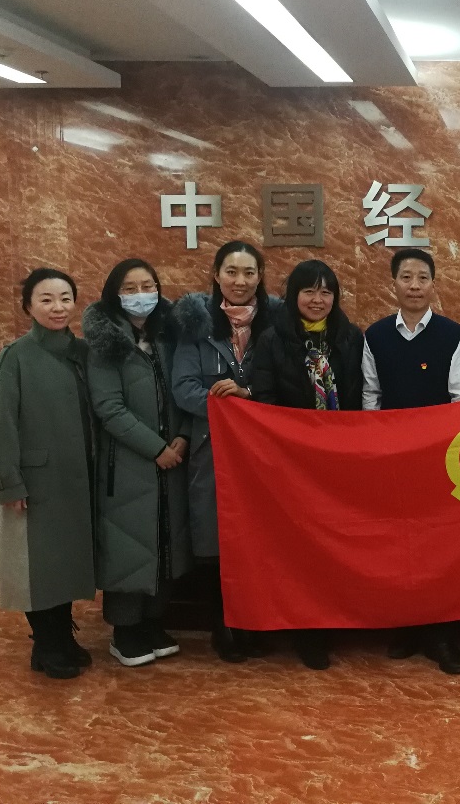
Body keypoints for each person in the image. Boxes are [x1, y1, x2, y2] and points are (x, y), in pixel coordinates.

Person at [362, 248, 460, 674]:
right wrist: (378, 450)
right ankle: (407, 626)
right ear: (393, 283)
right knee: (398, 544)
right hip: (391, 460)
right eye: (406, 277)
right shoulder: (375, 336)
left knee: (439, 546)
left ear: (433, 284)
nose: (414, 286)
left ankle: (440, 634)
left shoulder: (454, 335)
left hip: (440, 461)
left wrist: (437, 449)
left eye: (422, 277)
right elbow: (370, 397)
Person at [251, 259, 364, 671]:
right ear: (293, 296)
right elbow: (263, 401)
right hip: (294, 464)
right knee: (301, 549)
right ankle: (308, 630)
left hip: (340, 462)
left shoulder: (350, 337)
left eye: (326, 292)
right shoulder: (272, 340)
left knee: (338, 544)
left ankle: (339, 620)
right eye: (309, 291)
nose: (318, 300)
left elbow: (360, 396)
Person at [0, 268, 96, 679]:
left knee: (64, 563)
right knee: (36, 566)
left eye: (65, 298)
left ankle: (62, 637)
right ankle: (46, 644)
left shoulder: (83, 352)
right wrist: (9, 482)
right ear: (28, 307)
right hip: (35, 481)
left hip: (77, 479)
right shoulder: (15, 357)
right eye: (46, 299)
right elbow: (0, 425)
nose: (57, 307)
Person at [172, 240, 279, 663]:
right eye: (231, 272)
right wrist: (229, 410)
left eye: (249, 272)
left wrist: (247, 395)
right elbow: (184, 388)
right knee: (221, 539)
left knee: (262, 538)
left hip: (264, 451)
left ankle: (259, 622)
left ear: (260, 277)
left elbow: (279, 384)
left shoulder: (276, 323)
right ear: (216, 275)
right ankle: (226, 625)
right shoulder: (196, 326)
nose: (240, 281)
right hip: (212, 450)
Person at [84, 259, 192, 668]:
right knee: (128, 544)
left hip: (172, 458)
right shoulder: (106, 343)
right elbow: (109, 408)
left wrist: (182, 436)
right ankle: (125, 629)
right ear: (115, 294)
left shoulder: (168, 335)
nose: (141, 295)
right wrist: (156, 448)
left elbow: (185, 388)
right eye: (130, 288)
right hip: (128, 464)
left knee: (165, 539)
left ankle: (153, 621)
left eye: (148, 286)